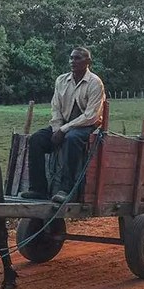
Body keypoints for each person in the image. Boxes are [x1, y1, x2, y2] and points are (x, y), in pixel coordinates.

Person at [20, 47, 106, 201]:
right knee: (36, 139)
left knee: (71, 139)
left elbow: (91, 115)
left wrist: (64, 129)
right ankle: (38, 189)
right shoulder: (61, 80)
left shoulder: (95, 83)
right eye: (71, 58)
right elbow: (56, 108)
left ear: (88, 62)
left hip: (87, 126)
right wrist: (56, 129)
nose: (73, 61)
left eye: (77, 58)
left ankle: (66, 190)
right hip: (63, 124)